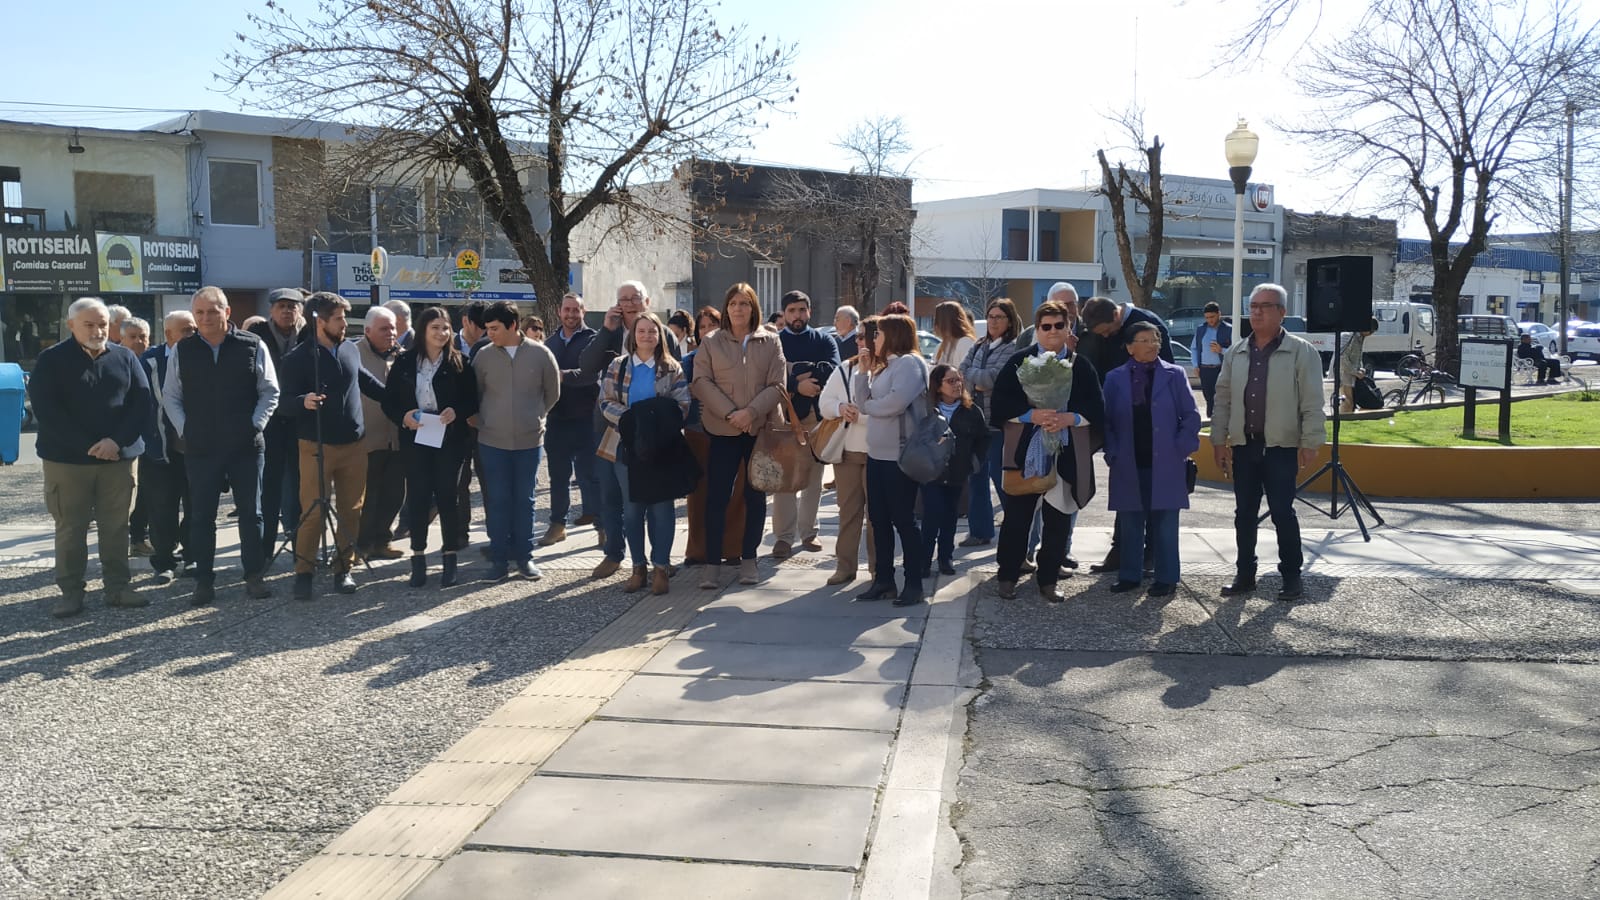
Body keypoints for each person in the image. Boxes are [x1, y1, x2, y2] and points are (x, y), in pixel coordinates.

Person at [28, 297, 151, 617]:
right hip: (68, 462)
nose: (97, 330)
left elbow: (142, 403)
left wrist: (116, 442)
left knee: (117, 526)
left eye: (102, 324)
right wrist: (90, 445)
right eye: (89, 325)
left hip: (118, 459)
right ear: (71, 325)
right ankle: (71, 592)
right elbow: (47, 411)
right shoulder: (51, 360)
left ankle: (118, 588)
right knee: (71, 528)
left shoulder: (125, 357)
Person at [164, 286, 280, 606]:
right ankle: (203, 580)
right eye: (199, 312)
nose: (205, 318)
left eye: (212, 311)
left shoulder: (252, 345)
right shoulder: (183, 349)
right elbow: (171, 396)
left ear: (227, 312)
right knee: (201, 516)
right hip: (201, 448)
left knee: (251, 514)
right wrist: (186, 429)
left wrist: (254, 425)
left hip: (246, 446)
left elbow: (270, 391)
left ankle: (253, 575)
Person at [1211, 283, 1326, 602]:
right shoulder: (1237, 352)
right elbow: (1222, 399)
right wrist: (1218, 440)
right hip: (1244, 446)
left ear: (1282, 312)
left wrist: (1311, 442)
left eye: (1265, 306)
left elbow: (1313, 401)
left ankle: (1291, 577)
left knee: (1282, 513)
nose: (1257, 312)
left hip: (1281, 448)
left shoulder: (1301, 351)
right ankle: (1245, 574)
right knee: (1244, 514)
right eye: (1253, 306)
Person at [989, 300, 1104, 602]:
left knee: (1058, 520)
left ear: (1069, 328)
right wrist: (1032, 415)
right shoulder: (1019, 362)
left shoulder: (1081, 366)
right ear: (1037, 329)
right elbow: (1000, 404)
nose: (1053, 331)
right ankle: (1007, 576)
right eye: (1046, 326)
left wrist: (1070, 418)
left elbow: (1097, 408)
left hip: (1065, 452)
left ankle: (1048, 580)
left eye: (1059, 325)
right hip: (1026, 452)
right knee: (1017, 519)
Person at [278, 292, 389, 600]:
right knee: (313, 512)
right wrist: (303, 401)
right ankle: (304, 572)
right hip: (316, 446)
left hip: (354, 444)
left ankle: (344, 569)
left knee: (351, 511)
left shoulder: (350, 349)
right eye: (339, 318)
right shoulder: (297, 359)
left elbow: (365, 381)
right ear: (319, 321)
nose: (344, 324)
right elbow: (283, 402)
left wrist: (399, 398)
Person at [579, 280, 682, 576]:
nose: (629, 303)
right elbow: (587, 365)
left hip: (656, 437)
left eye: (635, 298)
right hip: (612, 430)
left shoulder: (660, 333)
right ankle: (614, 554)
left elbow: (674, 379)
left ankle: (660, 560)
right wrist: (606, 330)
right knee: (612, 495)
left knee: (656, 498)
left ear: (646, 301)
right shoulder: (610, 333)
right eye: (623, 299)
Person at [691, 282, 787, 587]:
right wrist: (732, 413)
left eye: (744, 303)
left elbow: (777, 384)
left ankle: (749, 560)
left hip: (759, 429)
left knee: (755, 496)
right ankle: (712, 564)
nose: (738, 309)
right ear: (726, 307)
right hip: (723, 429)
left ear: (753, 307)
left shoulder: (770, 341)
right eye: (733, 303)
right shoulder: (711, 342)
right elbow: (701, 381)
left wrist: (751, 413)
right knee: (717, 496)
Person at [1103, 322, 1202, 596]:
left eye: (1155, 339)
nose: (1152, 345)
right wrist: (1112, 451)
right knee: (1131, 521)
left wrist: (1181, 447)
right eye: (1144, 340)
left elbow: (1191, 415)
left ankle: (1166, 577)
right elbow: (1106, 420)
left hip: (1167, 460)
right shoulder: (1114, 378)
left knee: (1166, 524)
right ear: (1130, 347)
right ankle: (1129, 575)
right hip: (1128, 460)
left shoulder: (1174, 374)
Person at [384, 305, 479, 587]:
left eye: (445, 328)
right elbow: (389, 401)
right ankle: (418, 558)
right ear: (423, 330)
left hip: (449, 440)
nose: (441, 333)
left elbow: (473, 400)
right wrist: (403, 417)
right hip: (415, 439)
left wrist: (456, 411)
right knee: (418, 497)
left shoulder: (460, 362)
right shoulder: (405, 362)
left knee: (448, 497)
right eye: (435, 328)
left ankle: (450, 558)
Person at [1080, 294, 1174, 577]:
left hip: (1149, 427)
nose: (1105, 337)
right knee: (1125, 493)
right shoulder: (1102, 332)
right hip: (1119, 425)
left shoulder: (1148, 324)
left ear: (1116, 316)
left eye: (1107, 331)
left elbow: (1166, 375)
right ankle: (1121, 551)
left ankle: (1150, 555)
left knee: (1152, 495)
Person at [601, 312, 692, 595]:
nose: (647, 336)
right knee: (632, 510)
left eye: (652, 331)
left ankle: (661, 567)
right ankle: (638, 567)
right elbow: (605, 401)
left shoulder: (671, 368)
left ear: (659, 335)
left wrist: (656, 421)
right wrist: (632, 420)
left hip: (662, 447)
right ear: (633, 335)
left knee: (662, 508)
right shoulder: (618, 365)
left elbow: (683, 404)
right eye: (641, 331)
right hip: (625, 444)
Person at [472, 300, 561, 580]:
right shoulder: (483, 356)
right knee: (497, 500)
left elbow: (552, 393)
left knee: (525, 500)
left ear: (512, 325)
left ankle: (525, 557)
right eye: (487, 329)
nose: (490, 334)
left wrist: (535, 417)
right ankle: (498, 559)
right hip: (492, 441)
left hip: (529, 441)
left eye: (495, 328)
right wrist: (485, 421)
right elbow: (475, 394)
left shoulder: (541, 354)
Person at [847, 314, 929, 606]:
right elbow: (863, 402)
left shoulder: (910, 363)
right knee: (878, 519)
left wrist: (870, 405)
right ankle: (884, 580)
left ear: (893, 335)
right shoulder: (885, 366)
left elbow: (895, 403)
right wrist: (862, 372)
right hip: (877, 455)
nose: (874, 339)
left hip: (899, 457)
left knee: (903, 520)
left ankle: (914, 583)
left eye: (878, 334)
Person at [772, 290, 840, 559]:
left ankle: (809, 532)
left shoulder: (824, 339)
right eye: (792, 311)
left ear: (809, 312)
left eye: (802, 310)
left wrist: (794, 369)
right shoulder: (775, 342)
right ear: (784, 313)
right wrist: (796, 385)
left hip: (816, 417)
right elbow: (771, 376)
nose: (797, 315)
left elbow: (832, 370)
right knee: (785, 479)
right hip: (784, 417)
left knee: (814, 477)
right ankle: (783, 537)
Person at [818, 315, 879, 585]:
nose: (857, 341)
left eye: (862, 336)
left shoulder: (890, 369)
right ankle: (845, 567)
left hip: (879, 453)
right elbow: (824, 403)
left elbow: (890, 409)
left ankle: (878, 569)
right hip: (848, 453)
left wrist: (861, 416)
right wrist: (840, 408)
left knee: (877, 515)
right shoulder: (846, 368)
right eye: (857, 336)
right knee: (848, 513)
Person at [248, 288, 308, 561]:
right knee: (268, 489)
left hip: (300, 421)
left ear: (300, 310)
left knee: (298, 490)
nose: (287, 311)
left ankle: (301, 551)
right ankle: (264, 552)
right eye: (281, 306)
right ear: (271, 310)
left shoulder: (309, 335)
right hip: (268, 422)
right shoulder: (256, 335)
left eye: (292, 306)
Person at [959, 298, 1021, 547]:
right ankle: (980, 531)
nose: (993, 322)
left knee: (1000, 477)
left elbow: (993, 378)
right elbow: (961, 373)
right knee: (976, 477)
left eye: (999, 317)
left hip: (998, 424)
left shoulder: (1012, 348)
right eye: (991, 316)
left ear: (1010, 321)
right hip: (976, 424)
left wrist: (975, 379)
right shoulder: (979, 345)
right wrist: (976, 380)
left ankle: (1017, 526)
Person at [541, 292, 601, 547]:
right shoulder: (549, 343)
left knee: (591, 476)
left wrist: (562, 375)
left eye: (576, 310)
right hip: (557, 419)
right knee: (558, 477)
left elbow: (591, 374)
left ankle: (602, 526)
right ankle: (558, 525)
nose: (571, 314)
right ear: (559, 312)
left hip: (587, 419)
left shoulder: (593, 340)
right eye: (567, 309)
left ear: (583, 312)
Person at [920, 364, 991, 578]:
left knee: (950, 516)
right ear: (938, 386)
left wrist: (973, 462)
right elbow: (916, 437)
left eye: (958, 379)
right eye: (950, 381)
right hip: (932, 473)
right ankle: (924, 560)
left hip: (957, 474)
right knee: (931, 516)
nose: (957, 385)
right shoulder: (926, 409)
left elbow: (983, 439)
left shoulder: (971, 410)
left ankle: (945, 558)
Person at [142, 311, 196, 585]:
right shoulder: (149, 361)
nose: (191, 335)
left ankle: (193, 556)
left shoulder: (202, 355)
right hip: (159, 449)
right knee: (162, 508)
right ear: (168, 335)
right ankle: (164, 562)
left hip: (196, 448)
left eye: (193, 329)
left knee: (196, 506)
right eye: (185, 331)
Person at [355, 306, 406, 560]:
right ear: (368, 331)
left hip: (397, 441)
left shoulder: (403, 357)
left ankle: (382, 541)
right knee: (366, 498)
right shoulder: (353, 354)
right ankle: (359, 546)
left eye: (393, 328)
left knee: (394, 495)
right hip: (366, 441)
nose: (391, 333)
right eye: (384, 329)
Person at [120, 317, 155, 556]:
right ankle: (131, 540)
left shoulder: (153, 361)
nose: (138, 342)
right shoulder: (116, 362)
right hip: (125, 440)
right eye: (132, 337)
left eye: (143, 337)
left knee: (148, 493)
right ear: (122, 339)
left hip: (152, 438)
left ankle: (143, 537)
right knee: (128, 495)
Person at [1191, 302, 1233, 417]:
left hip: (1221, 369)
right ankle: (1211, 420)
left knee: (1221, 398)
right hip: (1204, 370)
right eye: (1207, 317)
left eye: (1212, 317)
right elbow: (1194, 348)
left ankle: (1222, 421)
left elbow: (1236, 351)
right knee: (1208, 398)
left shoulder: (1229, 330)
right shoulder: (1201, 329)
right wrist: (1195, 365)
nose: (1210, 320)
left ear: (1219, 314)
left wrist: (1221, 350)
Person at [1336, 317, 1379, 413]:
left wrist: (1361, 369)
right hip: (1344, 374)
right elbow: (1342, 358)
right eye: (1371, 331)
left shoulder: (1360, 337)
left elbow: (1358, 356)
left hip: (1352, 374)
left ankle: (1345, 418)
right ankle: (1343, 418)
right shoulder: (1349, 336)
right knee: (1348, 401)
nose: (1371, 334)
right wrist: (1355, 372)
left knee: (1351, 402)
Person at [931, 301, 977, 370]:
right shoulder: (940, 347)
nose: (935, 325)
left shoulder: (965, 342)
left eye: (937, 319)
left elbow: (966, 372)